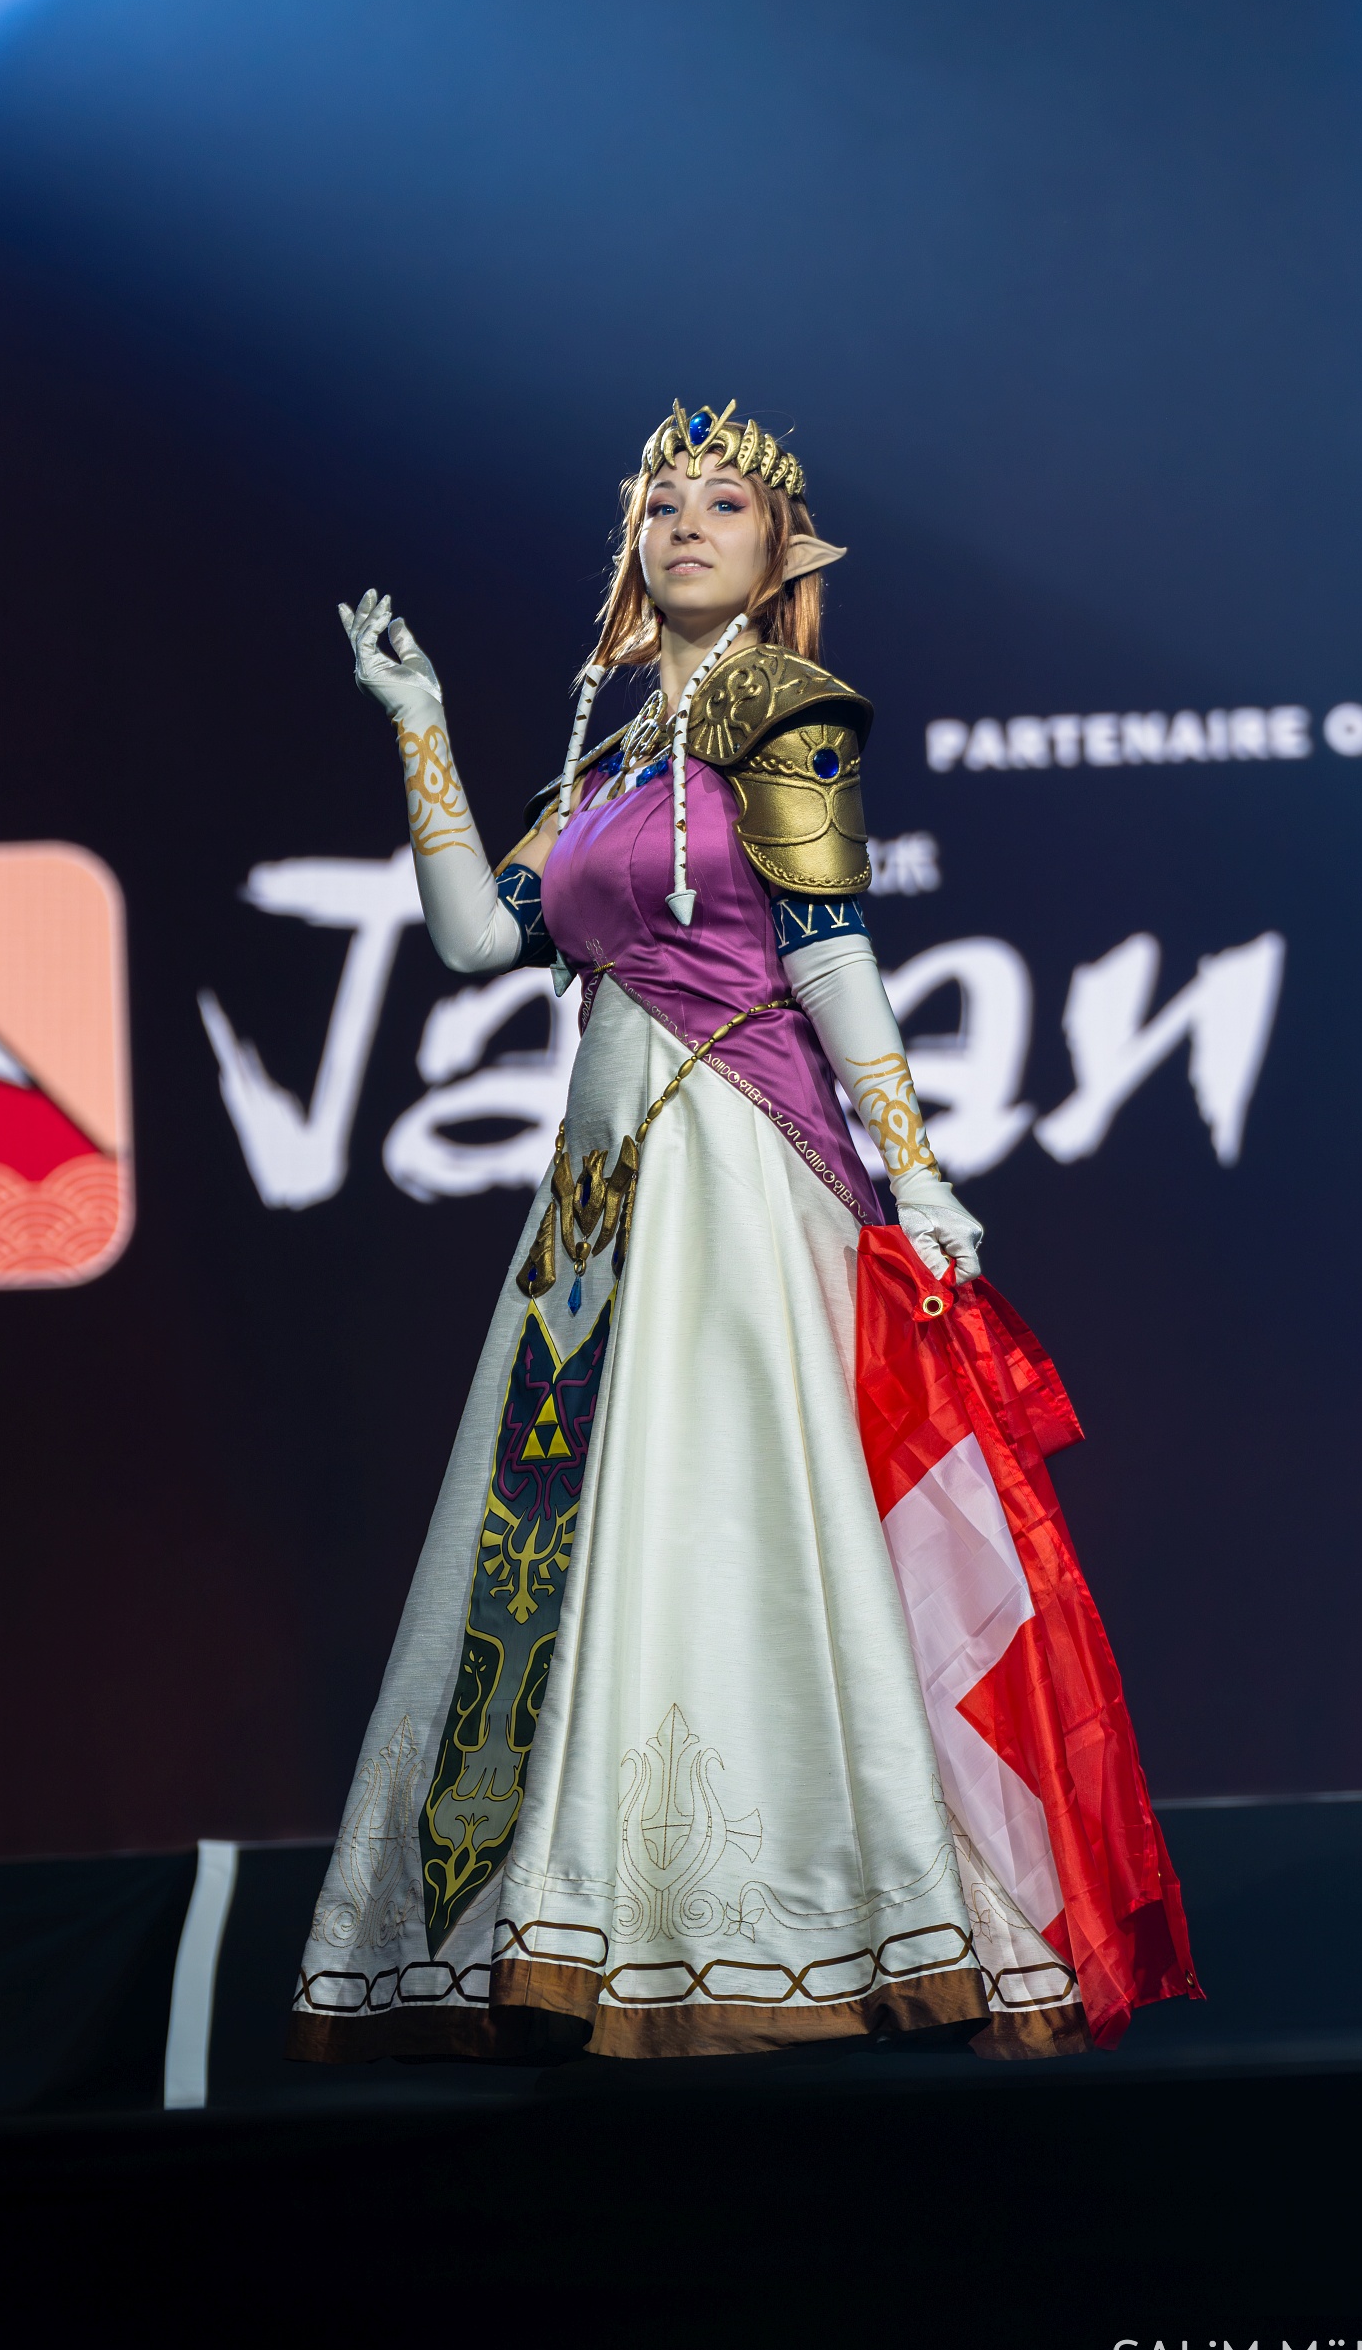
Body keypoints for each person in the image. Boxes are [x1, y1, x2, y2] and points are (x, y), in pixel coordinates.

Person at [288, 400, 1187, 2063]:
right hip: (600, 1192)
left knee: (727, 1515)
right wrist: (420, 729)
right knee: (577, 1526)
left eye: (723, 505)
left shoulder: (788, 709)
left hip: (735, 1160)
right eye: (662, 506)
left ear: (779, 555)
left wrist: (914, 1168)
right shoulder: (611, 756)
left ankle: (805, 1922)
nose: (686, 526)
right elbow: (479, 942)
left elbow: (832, 950)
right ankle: (600, 1914)